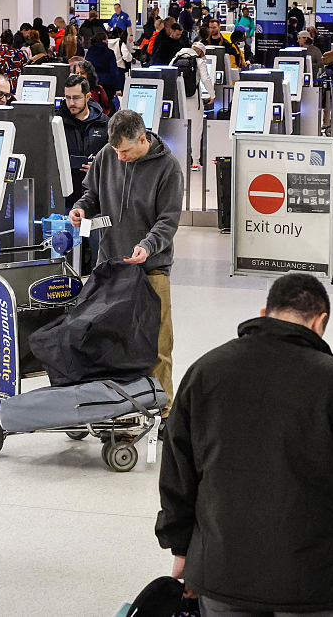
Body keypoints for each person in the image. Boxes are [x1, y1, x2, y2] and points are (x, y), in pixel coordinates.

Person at [156, 272, 333, 617]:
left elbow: (178, 473)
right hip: (314, 579)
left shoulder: (206, 371)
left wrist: (181, 548)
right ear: (321, 322)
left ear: (264, 312)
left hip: (222, 569)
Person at [68, 110, 182, 412]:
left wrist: (147, 245)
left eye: (125, 152)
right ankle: (118, 411)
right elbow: (91, 193)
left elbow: (168, 221)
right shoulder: (108, 154)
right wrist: (81, 208)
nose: (119, 158)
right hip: (110, 267)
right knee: (111, 342)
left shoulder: (168, 168)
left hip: (151, 269)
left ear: (142, 139)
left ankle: (165, 411)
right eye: (116, 151)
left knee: (158, 346)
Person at [60, 74, 109, 210]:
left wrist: (99, 167)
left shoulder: (104, 124)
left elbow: (117, 159)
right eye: (68, 98)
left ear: (88, 97)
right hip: (66, 197)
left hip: (96, 197)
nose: (71, 103)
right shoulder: (57, 122)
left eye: (76, 98)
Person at [170, 41, 215, 168]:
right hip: (193, 100)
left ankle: (178, 160)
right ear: (200, 52)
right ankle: (195, 162)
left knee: (179, 130)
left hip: (178, 100)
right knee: (196, 130)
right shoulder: (198, 61)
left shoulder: (175, 59)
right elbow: (206, 79)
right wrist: (212, 95)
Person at [86, 31, 122, 99]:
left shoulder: (90, 51)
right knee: (107, 105)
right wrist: (118, 88)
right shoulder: (109, 53)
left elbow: (87, 67)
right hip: (107, 84)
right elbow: (114, 71)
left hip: (93, 83)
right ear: (104, 40)